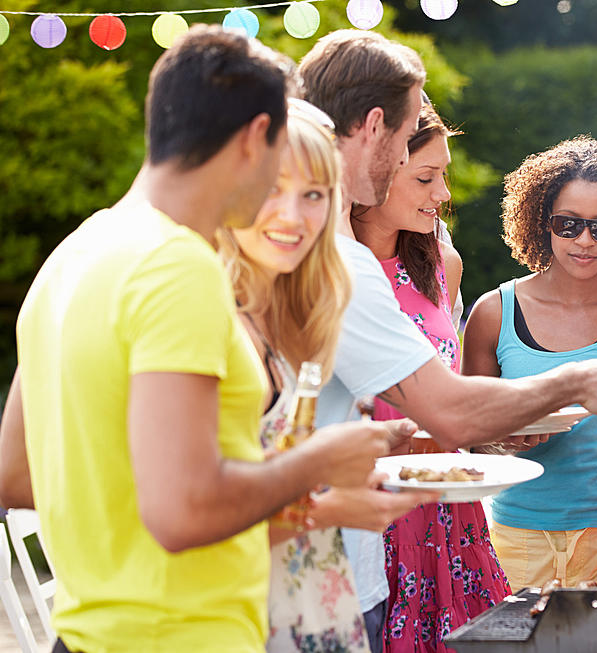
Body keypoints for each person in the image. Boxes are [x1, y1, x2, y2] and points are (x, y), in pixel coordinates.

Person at [0, 27, 389, 653]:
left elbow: (16, 474)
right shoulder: (179, 266)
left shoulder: (76, 251)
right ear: (252, 137)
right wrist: (321, 460)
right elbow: (185, 511)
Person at [299, 30, 597, 651]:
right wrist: (575, 380)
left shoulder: (420, 262)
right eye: (413, 160)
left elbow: (438, 409)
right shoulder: (330, 262)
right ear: (376, 131)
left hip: (416, 526)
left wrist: (494, 430)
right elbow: (447, 405)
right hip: (346, 540)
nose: (442, 194)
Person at [218, 99, 436, 652]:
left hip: (319, 598)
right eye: (272, 188)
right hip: (244, 616)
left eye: (314, 194)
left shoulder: (286, 304)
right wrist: (328, 498)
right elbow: (182, 516)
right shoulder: (201, 308)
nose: (294, 215)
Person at [460, 135, 597, 589]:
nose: (586, 241)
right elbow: (468, 434)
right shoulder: (494, 313)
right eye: (568, 224)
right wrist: (505, 441)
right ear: (542, 222)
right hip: (515, 535)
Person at [353, 104, 511, 652]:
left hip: (449, 511)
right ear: (372, 169)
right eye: (426, 177)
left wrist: (500, 432)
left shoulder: (444, 263)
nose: (442, 193)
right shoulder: (323, 272)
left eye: (442, 176)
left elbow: (449, 390)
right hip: (369, 515)